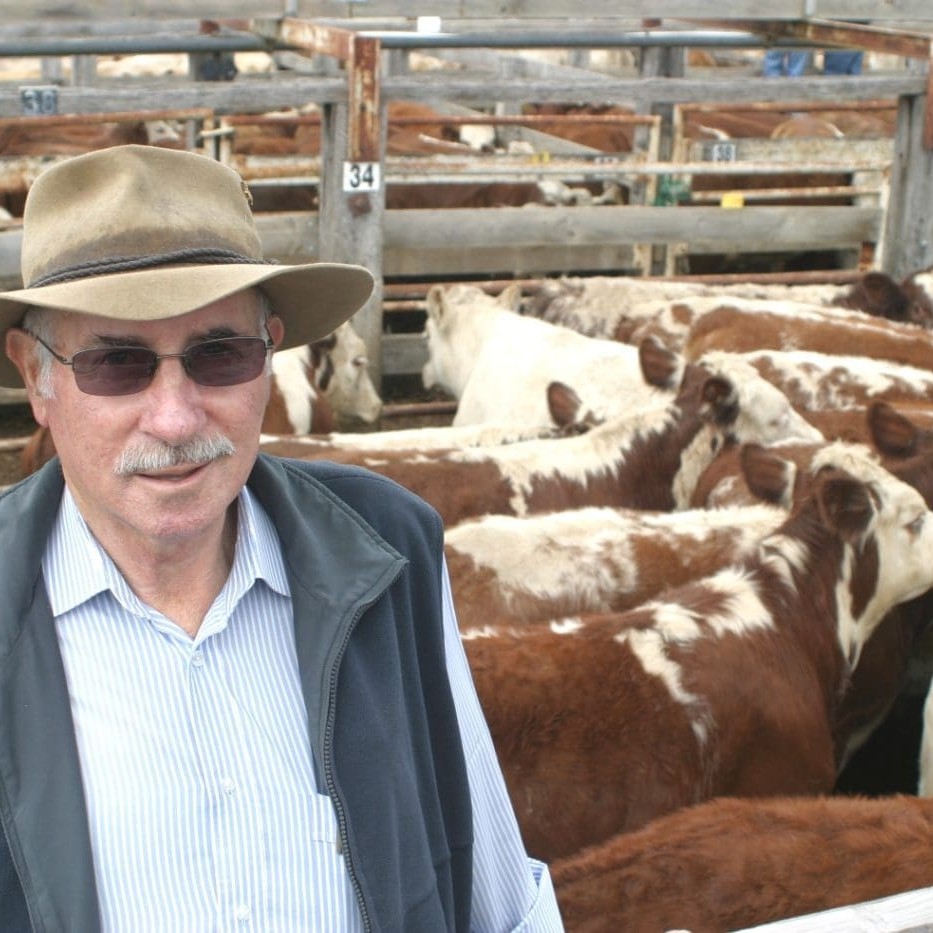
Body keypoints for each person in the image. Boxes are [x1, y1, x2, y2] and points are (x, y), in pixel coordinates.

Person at [0, 145, 564, 931]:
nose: (174, 417)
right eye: (117, 363)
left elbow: (494, 895)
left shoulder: (388, 551)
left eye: (218, 355)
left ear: (269, 354)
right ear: (36, 377)